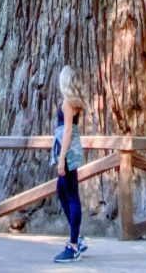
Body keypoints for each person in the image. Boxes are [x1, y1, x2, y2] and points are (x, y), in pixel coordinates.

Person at [52, 65, 88, 263]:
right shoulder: (76, 102)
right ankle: (77, 236)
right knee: (62, 191)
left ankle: (74, 245)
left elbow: (67, 131)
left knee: (72, 196)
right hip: (71, 150)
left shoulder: (67, 103)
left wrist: (61, 160)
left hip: (66, 152)